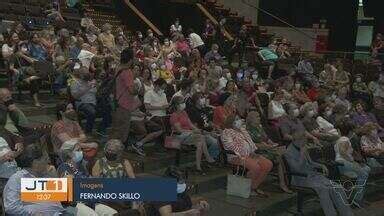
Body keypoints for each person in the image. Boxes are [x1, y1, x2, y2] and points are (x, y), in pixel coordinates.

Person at [284, 131, 353, 216]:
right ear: (297, 140)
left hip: (314, 176)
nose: (306, 142)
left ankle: (347, 214)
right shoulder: (288, 153)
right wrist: (302, 154)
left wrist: (321, 165)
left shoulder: (302, 147)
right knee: (324, 189)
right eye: (304, 140)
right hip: (301, 178)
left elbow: (310, 163)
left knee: (337, 187)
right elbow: (297, 169)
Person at [4, 144, 65, 215]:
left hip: (61, 212)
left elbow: (63, 200)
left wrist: (55, 178)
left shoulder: (47, 174)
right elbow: (11, 207)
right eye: (45, 159)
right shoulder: (17, 179)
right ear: (35, 163)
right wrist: (32, 214)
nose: (48, 162)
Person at [222, 115, 273, 197]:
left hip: (249, 154)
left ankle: (253, 187)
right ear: (232, 122)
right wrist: (245, 153)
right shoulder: (226, 132)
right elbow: (230, 146)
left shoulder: (243, 130)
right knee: (255, 167)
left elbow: (251, 143)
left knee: (268, 164)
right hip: (236, 156)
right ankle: (247, 189)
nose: (240, 120)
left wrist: (252, 151)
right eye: (237, 119)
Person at [245, 111, 292, 193]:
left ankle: (284, 182)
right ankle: (283, 183)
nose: (259, 118)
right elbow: (251, 145)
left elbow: (267, 139)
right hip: (255, 151)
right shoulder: (247, 130)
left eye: (259, 116)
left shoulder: (259, 127)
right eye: (257, 117)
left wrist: (271, 143)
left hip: (265, 148)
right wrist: (266, 146)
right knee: (279, 156)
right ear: (251, 119)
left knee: (282, 154)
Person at [170, 96, 215, 174]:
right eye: (182, 103)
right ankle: (207, 158)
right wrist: (192, 132)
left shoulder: (184, 112)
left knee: (200, 140)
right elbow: (179, 130)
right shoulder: (174, 115)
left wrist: (197, 130)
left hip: (188, 134)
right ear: (177, 105)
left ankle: (198, 167)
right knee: (201, 138)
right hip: (177, 137)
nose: (184, 104)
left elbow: (190, 125)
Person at [111, 48, 142, 144]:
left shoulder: (118, 68)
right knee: (122, 131)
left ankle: (112, 150)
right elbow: (132, 90)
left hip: (117, 102)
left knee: (116, 129)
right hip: (124, 105)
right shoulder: (127, 72)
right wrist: (137, 88)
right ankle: (116, 151)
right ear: (130, 60)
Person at [334, 136, 370, 208]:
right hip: (343, 166)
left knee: (367, 169)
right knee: (364, 173)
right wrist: (355, 164)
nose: (352, 149)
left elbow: (353, 158)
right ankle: (357, 199)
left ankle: (356, 195)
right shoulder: (343, 141)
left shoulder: (347, 145)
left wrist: (358, 163)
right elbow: (344, 155)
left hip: (349, 165)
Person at [186, 92, 220, 160]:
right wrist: (208, 133)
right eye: (201, 98)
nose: (204, 99)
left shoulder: (203, 109)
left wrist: (215, 127)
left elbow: (209, 121)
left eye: (203, 97)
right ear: (196, 100)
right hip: (203, 133)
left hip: (210, 130)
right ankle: (209, 157)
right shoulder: (193, 111)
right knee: (215, 142)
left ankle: (214, 157)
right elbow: (195, 127)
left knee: (222, 139)